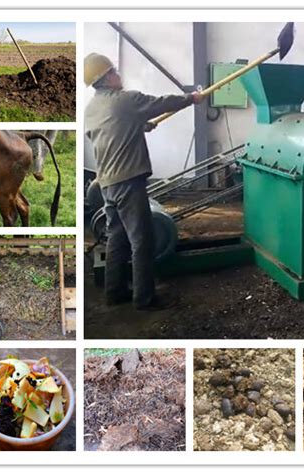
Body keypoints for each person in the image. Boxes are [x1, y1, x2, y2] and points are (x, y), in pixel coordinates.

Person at [84, 53, 204, 310]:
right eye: (114, 71)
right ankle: (144, 299)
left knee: (116, 236)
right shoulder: (126, 100)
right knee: (142, 240)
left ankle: (114, 293)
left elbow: (113, 129)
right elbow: (160, 103)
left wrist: (141, 125)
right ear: (105, 78)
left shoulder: (92, 108)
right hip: (128, 180)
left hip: (106, 183)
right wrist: (192, 98)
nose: (119, 75)